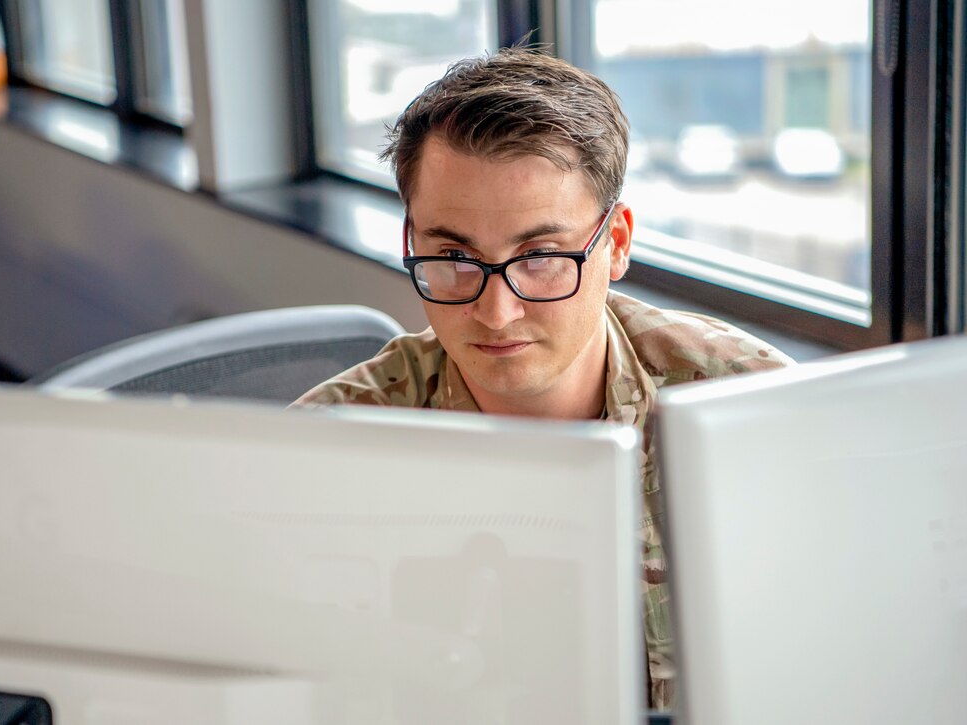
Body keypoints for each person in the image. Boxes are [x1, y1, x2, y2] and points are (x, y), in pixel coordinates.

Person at [293, 46, 794, 709]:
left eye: (541, 256)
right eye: (453, 256)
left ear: (614, 243)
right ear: (410, 242)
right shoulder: (322, 449)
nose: (496, 311)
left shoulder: (750, 406)